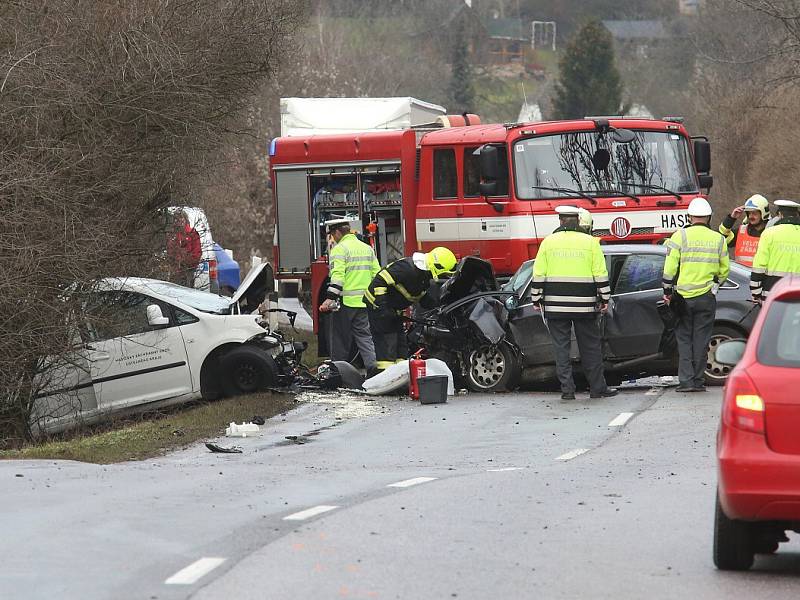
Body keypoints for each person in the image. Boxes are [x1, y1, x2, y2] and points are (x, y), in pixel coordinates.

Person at [531, 206, 616, 401]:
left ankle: (567, 390)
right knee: (590, 347)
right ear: (578, 221)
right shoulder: (590, 243)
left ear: (560, 221)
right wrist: (605, 298)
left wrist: (536, 299)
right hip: (584, 306)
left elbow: (539, 274)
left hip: (555, 306)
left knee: (561, 348)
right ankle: (597, 388)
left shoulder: (548, 242)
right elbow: (600, 274)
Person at [662, 197, 730, 393]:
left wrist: (667, 291)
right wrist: (715, 285)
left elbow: (669, 268)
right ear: (709, 217)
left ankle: (686, 381)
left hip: (682, 297)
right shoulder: (718, 239)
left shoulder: (679, 236)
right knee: (702, 339)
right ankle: (699, 381)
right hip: (706, 297)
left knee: (684, 339)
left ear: (690, 216)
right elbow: (724, 270)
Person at [364, 247, 457, 370]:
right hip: (378, 308)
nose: (443, 276)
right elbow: (379, 282)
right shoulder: (406, 269)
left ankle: (398, 377)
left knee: (401, 347)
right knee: (388, 346)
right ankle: (384, 379)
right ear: (436, 266)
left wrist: (437, 305)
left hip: (393, 311)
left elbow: (418, 293)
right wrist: (383, 309)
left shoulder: (422, 274)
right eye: (443, 273)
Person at [319, 219, 380, 375]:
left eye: (333, 234)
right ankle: (373, 369)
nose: (333, 238)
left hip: (345, 303)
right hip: (365, 302)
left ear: (338, 232)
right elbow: (377, 275)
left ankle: (338, 373)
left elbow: (338, 277)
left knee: (340, 340)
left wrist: (330, 298)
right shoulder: (367, 248)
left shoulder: (339, 250)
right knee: (365, 337)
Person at [750, 199, 800, 303]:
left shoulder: (769, 233)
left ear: (780, 215)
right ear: (797, 214)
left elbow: (759, 266)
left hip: (772, 293)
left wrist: (756, 293)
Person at [718, 193, 769, 266]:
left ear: (763, 214)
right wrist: (731, 219)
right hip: (740, 276)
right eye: (749, 213)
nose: (751, 216)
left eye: (754, 213)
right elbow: (721, 240)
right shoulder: (741, 231)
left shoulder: (770, 233)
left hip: (761, 276)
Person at [166, 212, 201, 288]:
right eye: (176, 219)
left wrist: (185, 262)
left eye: (181, 218)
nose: (178, 220)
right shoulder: (172, 235)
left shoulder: (192, 233)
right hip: (175, 271)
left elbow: (197, 253)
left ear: (185, 219)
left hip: (188, 270)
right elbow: (169, 251)